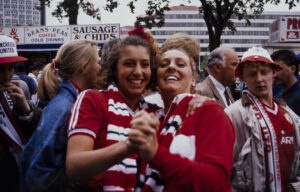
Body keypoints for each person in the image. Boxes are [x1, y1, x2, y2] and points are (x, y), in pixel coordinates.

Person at [128, 33, 235, 191]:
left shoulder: (209, 111)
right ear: (156, 78)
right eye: (164, 64)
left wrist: (156, 155)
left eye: (181, 64)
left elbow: (216, 182)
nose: (172, 67)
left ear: (194, 79)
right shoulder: (146, 117)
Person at [65, 35, 164, 191]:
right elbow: (74, 167)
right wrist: (128, 145)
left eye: (145, 65)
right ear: (114, 69)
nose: (138, 72)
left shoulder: (157, 114)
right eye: (129, 64)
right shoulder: (93, 99)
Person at [20, 39, 101, 192]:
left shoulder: (66, 102)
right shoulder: (67, 107)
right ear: (84, 67)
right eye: (97, 62)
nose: (100, 67)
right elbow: (39, 173)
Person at [225, 47, 300, 191]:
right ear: (243, 78)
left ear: (273, 73)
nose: (259, 79)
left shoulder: (289, 115)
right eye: (252, 74)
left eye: (264, 72)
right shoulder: (233, 114)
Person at [0, 35, 41, 192]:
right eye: (0, 69)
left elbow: (37, 131)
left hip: (19, 174)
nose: (6, 75)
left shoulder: (19, 89)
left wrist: (25, 107)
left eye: (10, 68)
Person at [271, 49, 300, 116]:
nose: (274, 74)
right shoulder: (279, 94)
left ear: (292, 69)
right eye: (273, 70)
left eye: (279, 69)